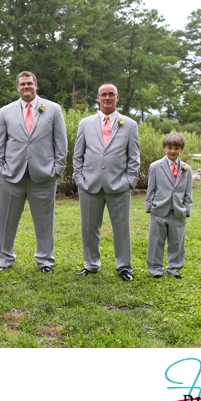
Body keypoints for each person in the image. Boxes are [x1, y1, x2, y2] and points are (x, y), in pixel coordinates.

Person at [0, 71, 67, 273]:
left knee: (44, 220)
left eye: (29, 83)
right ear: (17, 87)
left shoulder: (53, 109)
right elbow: (0, 142)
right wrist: (0, 170)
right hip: (12, 175)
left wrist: (57, 170)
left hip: (43, 175)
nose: (26, 87)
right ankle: (4, 260)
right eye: (22, 84)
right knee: (7, 220)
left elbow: (60, 141)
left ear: (36, 85)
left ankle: (45, 261)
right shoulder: (6, 111)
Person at [73, 83, 141, 281]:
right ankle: (91, 264)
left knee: (121, 228)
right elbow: (78, 155)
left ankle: (124, 267)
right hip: (89, 185)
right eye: (104, 95)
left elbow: (134, 157)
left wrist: (129, 181)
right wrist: (79, 179)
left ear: (117, 98)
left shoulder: (129, 124)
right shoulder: (85, 124)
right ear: (98, 98)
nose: (107, 98)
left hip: (119, 185)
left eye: (111, 94)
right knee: (89, 228)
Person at [144, 132, 194, 279]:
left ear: (181, 150)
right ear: (164, 148)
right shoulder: (155, 166)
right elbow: (151, 188)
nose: (173, 151)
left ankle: (174, 268)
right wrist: (150, 207)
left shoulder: (186, 169)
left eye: (176, 148)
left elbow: (187, 192)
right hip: (159, 209)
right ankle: (155, 269)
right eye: (170, 147)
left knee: (177, 241)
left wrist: (187, 209)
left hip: (178, 211)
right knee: (156, 240)